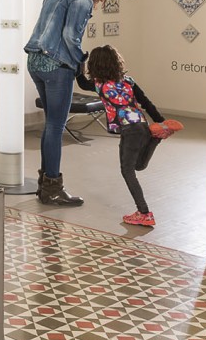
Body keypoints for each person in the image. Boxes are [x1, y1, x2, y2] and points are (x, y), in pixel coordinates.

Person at [24, 0, 118, 206]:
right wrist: (81, 61)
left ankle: (45, 186)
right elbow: (70, 37)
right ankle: (53, 188)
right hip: (56, 65)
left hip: (34, 61)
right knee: (56, 126)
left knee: (51, 124)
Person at [78, 45, 182, 227]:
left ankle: (144, 213)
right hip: (141, 125)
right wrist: (161, 122)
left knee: (127, 171)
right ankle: (155, 137)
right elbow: (146, 102)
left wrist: (81, 61)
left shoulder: (98, 84)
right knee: (138, 166)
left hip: (128, 130)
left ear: (95, 66)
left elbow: (80, 82)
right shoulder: (129, 82)